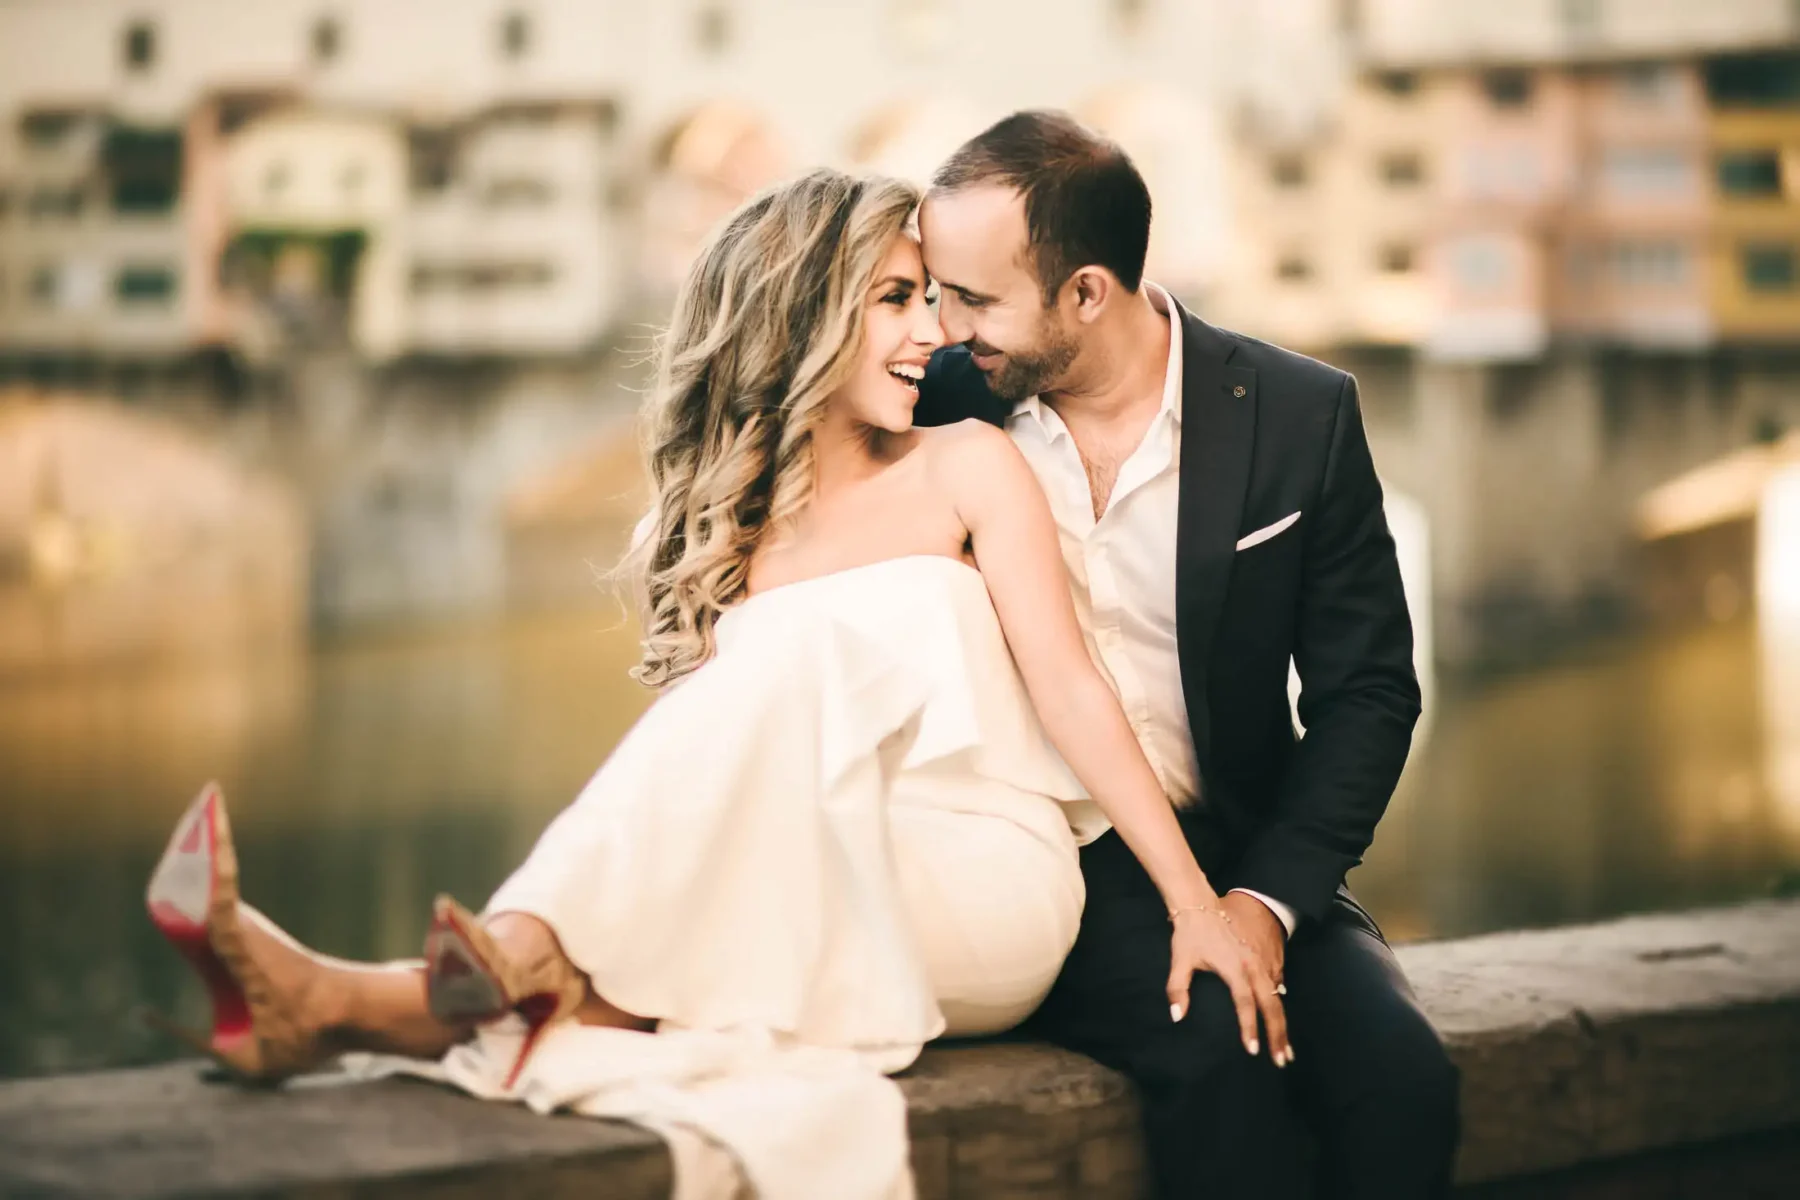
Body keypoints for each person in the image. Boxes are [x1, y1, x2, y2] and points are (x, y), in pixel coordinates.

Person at [143, 167, 1289, 1199]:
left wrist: (1199, 908)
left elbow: (1075, 692)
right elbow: (696, 788)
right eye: (894, 298)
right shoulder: (730, 535)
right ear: (800, 315)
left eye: (932, 299)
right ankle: (351, 1007)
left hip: (987, 888)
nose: (928, 331)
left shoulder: (967, 467)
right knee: (726, 743)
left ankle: (487, 957)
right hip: (809, 873)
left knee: (786, 657)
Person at [911, 111, 1459, 1200]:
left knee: (1404, 1083)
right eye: (935, 289)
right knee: (1222, 1060)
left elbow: (1368, 692)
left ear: (1086, 293)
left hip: (1250, 845)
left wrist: (1264, 902)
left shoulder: (1301, 413)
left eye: (973, 298)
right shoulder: (939, 402)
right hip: (1053, 859)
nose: (943, 322)